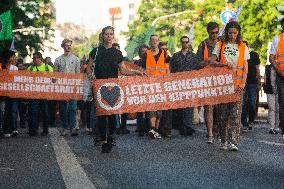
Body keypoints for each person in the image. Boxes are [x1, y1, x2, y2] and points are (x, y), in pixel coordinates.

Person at [88, 26, 145, 153]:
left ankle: (111, 137)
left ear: (113, 36)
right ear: (102, 36)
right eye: (106, 34)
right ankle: (103, 138)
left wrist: (136, 72)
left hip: (113, 87)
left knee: (112, 115)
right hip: (99, 87)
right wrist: (90, 74)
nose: (109, 36)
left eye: (111, 34)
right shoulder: (95, 51)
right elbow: (89, 67)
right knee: (101, 115)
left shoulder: (117, 53)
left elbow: (123, 70)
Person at [209, 21, 249, 151]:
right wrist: (223, 65)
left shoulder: (243, 46)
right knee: (222, 114)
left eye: (235, 33)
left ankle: (233, 142)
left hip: (238, 85)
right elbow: (212, 61)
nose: (232, 35)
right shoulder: (220, 45)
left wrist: (243, 82)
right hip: (223, 85)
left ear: (238, 33)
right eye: (230, 33)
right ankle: (223, 140)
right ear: (226, 32)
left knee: (235, 114)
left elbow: (245, 67)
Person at [139, 34, 170, 139]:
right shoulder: (146, 55)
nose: (154, 42)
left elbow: (168, 68)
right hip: (150, 85)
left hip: (162, 85)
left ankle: (155, 130)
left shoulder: (165, 54)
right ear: (150, 42)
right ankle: (153, 129)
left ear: (158, 41)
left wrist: (168, 80)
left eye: (156, 40)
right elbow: (141, 69)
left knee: (159, 110)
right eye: (152, 40)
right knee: (152, 108)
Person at [170, 36, 201, 137]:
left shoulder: (194, 56)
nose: (185, 44)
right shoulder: (175, 56)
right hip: (178, 83)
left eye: (186, 42)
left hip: (190, 83)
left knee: (189, 106)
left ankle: (188, 126)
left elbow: (197, 69)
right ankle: (181, 127)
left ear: (189, 43)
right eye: (183, 42)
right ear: (181, 43)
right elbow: (172, 70)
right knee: (180, 106)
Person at [196, 21, 219, 143]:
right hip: (207, 79)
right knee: (209, 107)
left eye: (216, 32)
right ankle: (210, 133)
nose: (215, 35)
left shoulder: (223, 43)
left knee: (220, 108)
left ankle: (218, 129)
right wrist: (208, 62)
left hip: (221, 81)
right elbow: (197, 62)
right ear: (208, 33)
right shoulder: (203, 45)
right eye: (212, 33)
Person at [54, 39, 81, 136]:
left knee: (73, 108)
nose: (69, 47)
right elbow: (55, 76)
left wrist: (78, 86)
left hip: (73, 87)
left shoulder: (76, 59)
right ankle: (65, 128)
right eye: (66, 45)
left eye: (70, 45)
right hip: (62, 88)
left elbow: (78, 74)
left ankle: (73, 127)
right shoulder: (58, 60)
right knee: (63, 109)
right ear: (63, 46)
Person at [26, 52, 53, 136]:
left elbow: (53, 80)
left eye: (37, 57)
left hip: (44, 94)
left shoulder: (48, 68)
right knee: (33, 112)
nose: (35, 59)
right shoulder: (30, 68)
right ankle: (33, 130)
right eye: (33, 58)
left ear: (41, 58)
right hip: (33, 94)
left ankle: (45, 130)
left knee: (45, 112)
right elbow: (25, 80)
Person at [241, 41, 261, 132]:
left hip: (253, 82)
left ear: (248, 47)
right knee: (243, 103)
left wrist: (259, 82)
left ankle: (251, 121)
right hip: (242, 82)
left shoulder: (254, 55)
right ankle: (244, 123)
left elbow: (257, 69)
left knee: (252, 103)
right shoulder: (239, 56)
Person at [269, 18, 284, 138]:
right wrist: (279, 71)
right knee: (283, 102)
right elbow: (271, 57)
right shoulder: (277, 39)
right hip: (281, 76)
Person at [1, 50, 19, 137]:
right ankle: (6, 130)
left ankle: (14, 129)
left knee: (13, 111)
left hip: (13, 93)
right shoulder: (1, 67)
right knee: (5, 112)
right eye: (12, 56)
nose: (14, 58)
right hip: (3, 94)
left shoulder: (15, 68)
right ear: (8, 58)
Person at [263, 64, 279, 134]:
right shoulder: (267, 67)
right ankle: (272, 127)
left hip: (279, 89)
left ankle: (277, 126)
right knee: (272, 108)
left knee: (277, 108)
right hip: (270, 90)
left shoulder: (280, 66)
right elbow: (265, 78)